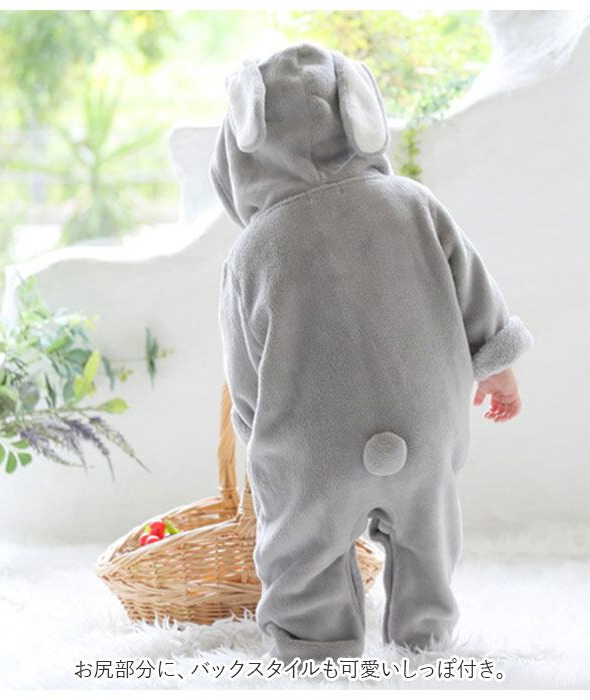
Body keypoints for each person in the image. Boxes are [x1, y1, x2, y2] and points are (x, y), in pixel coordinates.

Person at [210, 42, 533, 665]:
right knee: (428, 532)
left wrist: (257, 435)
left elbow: (244, 366)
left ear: (243, 147)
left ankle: (316, 650)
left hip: (312, 447)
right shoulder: (413, 204)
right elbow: (473, 288)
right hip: (426, 424)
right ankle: (424, 634)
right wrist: (498, 366)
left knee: (304, 547)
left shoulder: (253, 251)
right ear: (360, 116)